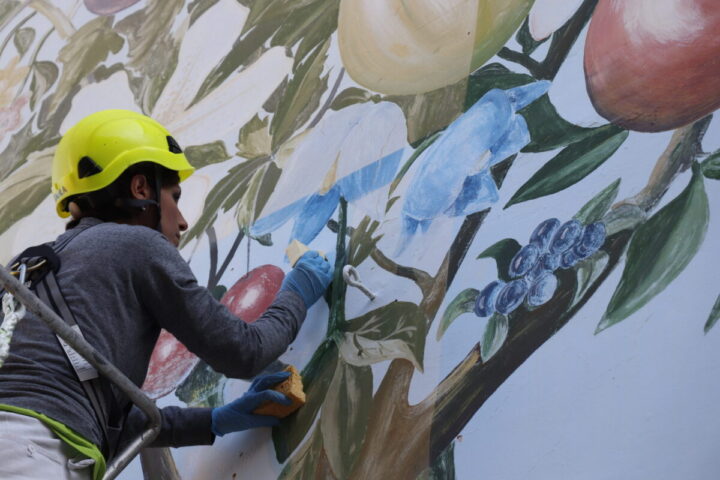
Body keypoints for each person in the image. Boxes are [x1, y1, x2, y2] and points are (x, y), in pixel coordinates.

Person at [0, 109, 333, 480]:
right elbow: (243, 351)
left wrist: (215, 421)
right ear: (141, 189)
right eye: (174, 196)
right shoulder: (136, 245)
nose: (184, 221)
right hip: (28, 453)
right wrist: (297, 293)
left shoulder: (25, 269)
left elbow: (96, 415)